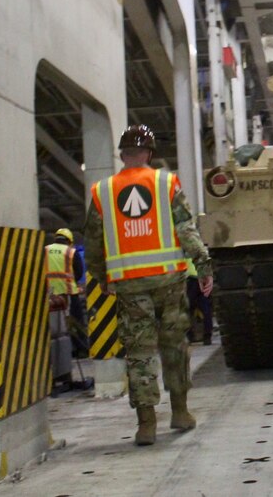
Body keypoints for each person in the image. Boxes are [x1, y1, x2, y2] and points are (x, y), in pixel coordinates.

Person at [84, 124, 214, 446]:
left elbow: (94, 243)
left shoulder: (102, 192)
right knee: (174, 345)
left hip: (128, 286)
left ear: (122, 154)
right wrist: (203, 265)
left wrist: (102, 278)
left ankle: (146, 426)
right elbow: (186, 228)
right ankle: (181, 413)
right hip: (169, 281)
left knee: (139, 353)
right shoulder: (165, 183)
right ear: (149, 153)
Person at [46, 228, 79, 389]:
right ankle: (65, 374)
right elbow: (78, 273)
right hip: (65, 296)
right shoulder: (71, 252)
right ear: (69, 240)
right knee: (64, 335)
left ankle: (52, 376)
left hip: (47, 297)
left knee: (50, 337)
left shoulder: (44, 250)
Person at [185, 258, 214, 345]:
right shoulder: (200, 250)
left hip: (190, 280)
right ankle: (207, 337)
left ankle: (189, 336)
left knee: (188, 309)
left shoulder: (185, 250)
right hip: (203, 278)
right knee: (206, 309)